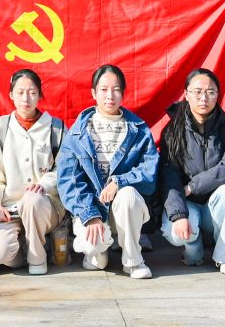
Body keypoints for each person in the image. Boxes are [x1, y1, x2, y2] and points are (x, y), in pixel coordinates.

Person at [56, 64, 156, 278]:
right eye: (103, 89)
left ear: (123, 93)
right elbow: (69, 181)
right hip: (92, 207)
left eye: (116, 89)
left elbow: (149, 172)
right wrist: (89, 215)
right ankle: (96, 254)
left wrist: (119, 182)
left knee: (128, 194)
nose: (110, 95)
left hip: (124, 209)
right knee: (95, 253)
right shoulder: (78, 132)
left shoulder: (138, 129)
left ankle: (133, 260)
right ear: (93, 93)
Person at [154, 67, 225, 273]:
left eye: (210, 92)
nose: (204, 98)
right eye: (197, 92)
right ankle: (193, 248)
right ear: (186, 94)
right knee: (175, 231)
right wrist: (179, 214)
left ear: (217, 95)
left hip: (215, 206)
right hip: (188, 204)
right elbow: (169, 177)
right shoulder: (173, 131)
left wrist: (193, 186)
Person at [0, 69, 67, 274]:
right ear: (11, 95)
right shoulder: (0, 127)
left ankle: (37, 259)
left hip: (45, 206)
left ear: (40, 95)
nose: (26, 98)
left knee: (32, 199)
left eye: (32, 92)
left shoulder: (56, 128)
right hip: (10, 209)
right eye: (20, 92)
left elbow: (64, 169)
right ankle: (28, 248)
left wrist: (44, 184)